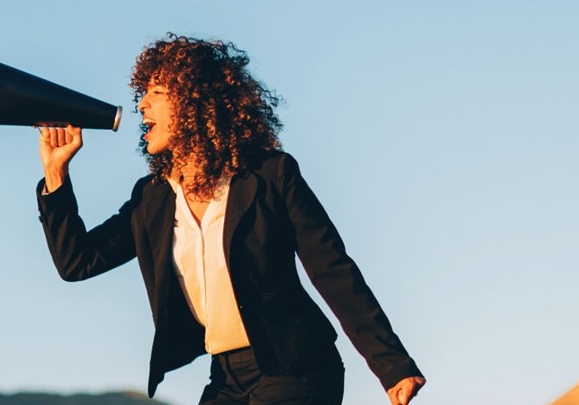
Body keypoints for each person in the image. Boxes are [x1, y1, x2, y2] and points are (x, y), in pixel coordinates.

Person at [32, 34, 427, 405]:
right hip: (225, 376)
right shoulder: (152, 197)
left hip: (297, 366)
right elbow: (77, 262)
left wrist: (391, 364)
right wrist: (56, 176)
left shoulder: (271, 175)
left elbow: (332, 269)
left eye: (156, 93)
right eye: (142, 94)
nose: (140, 105)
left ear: (196, 102)